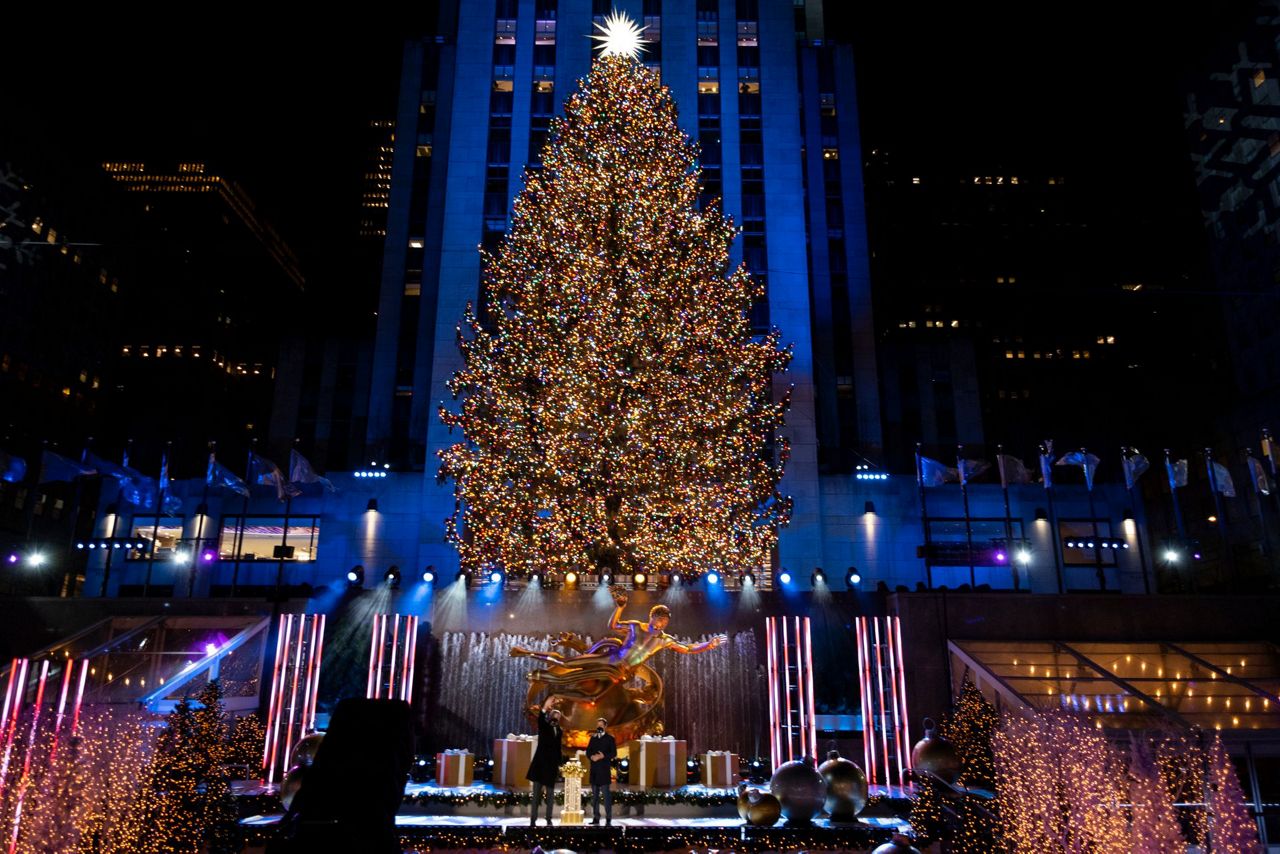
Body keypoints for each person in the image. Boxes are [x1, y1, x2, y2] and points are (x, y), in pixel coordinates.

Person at [512, 588, 728, 703]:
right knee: (567, 663)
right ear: (652, 617)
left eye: (665, 621)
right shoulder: (636, 626)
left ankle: (551, 684)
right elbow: (613, 625)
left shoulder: (665, 640)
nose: (662, 623)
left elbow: (688, 648)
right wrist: (620, 607)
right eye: (659, 619)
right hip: (612, 659)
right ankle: (527, 652)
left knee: (594, 697)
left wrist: (708, 645)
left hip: (622, 673)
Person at [526, 696, 564, 826]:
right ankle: (533, 819)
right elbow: (541, 719)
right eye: (554, 716)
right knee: (536, 795)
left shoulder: (559, 731)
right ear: (550, 717)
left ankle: (548, 819)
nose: (556, 719)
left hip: (551, 767)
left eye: (558, 717)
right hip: (540, 766)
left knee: (550, 796)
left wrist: (559, 765)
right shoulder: (544, 726)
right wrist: (544, 708)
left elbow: (558, 748)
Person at [585, 716, 617, 825]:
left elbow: (614, 753)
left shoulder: (610, 739)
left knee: (606, 797)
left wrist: (603, 756)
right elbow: (588, 751)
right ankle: (596, 818)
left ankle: (608, 818)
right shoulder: (593, 738)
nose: (599, 727)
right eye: (597, 725)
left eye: (601, 725)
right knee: (595, 798)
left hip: (604, 772)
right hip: (594, 772)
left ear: (605, 726)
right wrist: (591, 757)